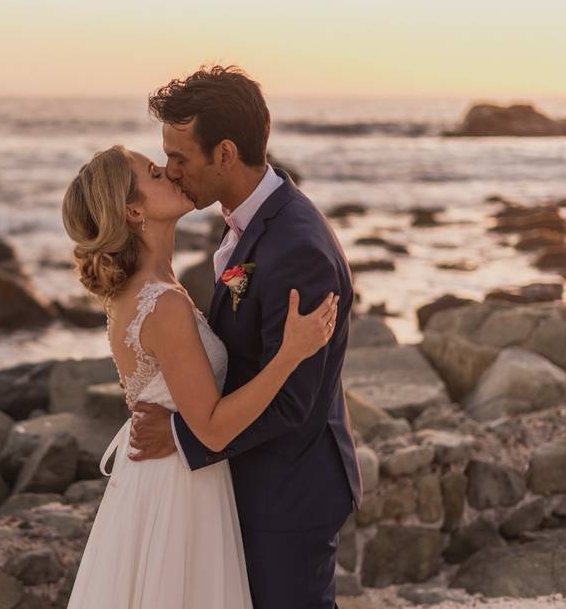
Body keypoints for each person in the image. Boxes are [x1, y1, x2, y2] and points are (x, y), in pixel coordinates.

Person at [62, 143, 338, 608]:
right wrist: (291, 354)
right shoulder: (163, 303)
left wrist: (174, 426)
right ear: (133, 209)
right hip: (180, 490)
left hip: (158, 481)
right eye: (153, 173)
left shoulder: (142, 292)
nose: (170, 172)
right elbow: (211, 428)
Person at [128, 66, 362, 608]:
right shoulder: (254, 223)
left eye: (180, 158)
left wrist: (185, 435)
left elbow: (294, 401)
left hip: (290, 490)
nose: (170, 170)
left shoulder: (296, 249)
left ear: (226, 154)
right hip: (259, 477)